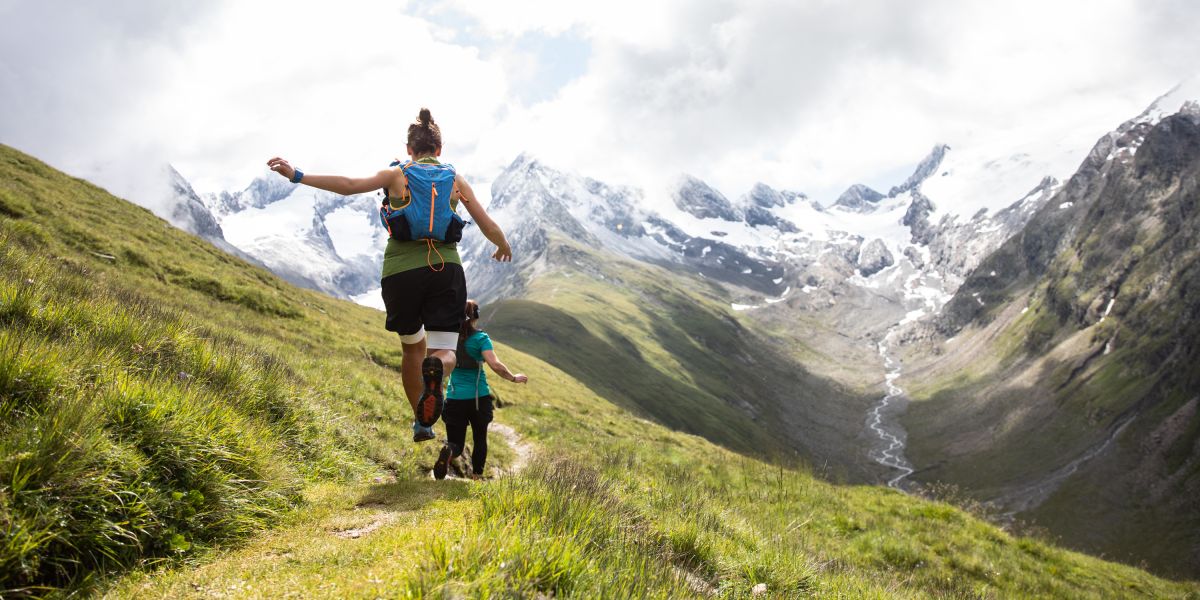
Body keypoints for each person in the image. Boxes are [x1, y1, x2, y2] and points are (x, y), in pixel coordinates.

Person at [267, 108, 513, 443]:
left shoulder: (397, 175)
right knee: (445, 352)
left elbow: (349, 186)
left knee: (412, 349)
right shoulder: (455, 180)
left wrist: (297, 175)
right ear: (439, 149)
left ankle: (422, 422)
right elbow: (486, 223)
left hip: (400, 274)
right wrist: (502, 245)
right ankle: (437, 370)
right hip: (446, 271)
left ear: (409, 149)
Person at [433, 299, 527, 480]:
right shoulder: (480, 338)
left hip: (454, 398)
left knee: (456, 443)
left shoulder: (449, 338)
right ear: (475, 317)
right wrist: (513, 378)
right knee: (480, 439)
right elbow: (495, 365)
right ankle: (476, 478)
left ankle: (449, 451)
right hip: (478, 399)